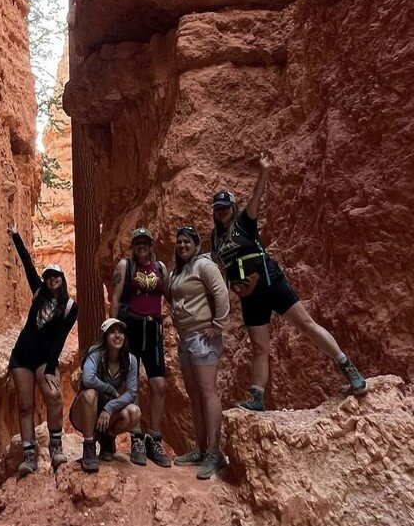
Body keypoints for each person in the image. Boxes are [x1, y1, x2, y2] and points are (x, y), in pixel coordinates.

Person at [210, 151, 367, 413]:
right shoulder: (215, 238)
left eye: (225, 207)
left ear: (233, 208)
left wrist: (265, 170)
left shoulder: (243, 222)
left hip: (271, 282)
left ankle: (346, 365)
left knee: (306, 324)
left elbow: (256, 199)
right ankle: (257, 396)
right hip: (249, 297)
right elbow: (221, 268)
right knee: (260, 346)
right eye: (217, 208)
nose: (221, 212)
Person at [7, 224, 78, 477]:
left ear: (62, 280)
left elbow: (60, 339)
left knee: (54, 396)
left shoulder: (70, 307)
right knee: (25, 406)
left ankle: (56, 447)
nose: (51, 280)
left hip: (44, 360)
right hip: (21, 356)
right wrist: (16, 236)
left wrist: (50, 367)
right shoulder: (38, 292)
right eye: (48, 277)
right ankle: (29, 455)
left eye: (55, 277)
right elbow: (27, 264)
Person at [167, 226, 230, 480]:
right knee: (194, 396)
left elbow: (220, 291)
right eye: (179, 241)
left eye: (187, 241)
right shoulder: (180, 271)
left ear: (196, 244)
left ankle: (214, 453)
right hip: (186, 338)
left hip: (203, 335)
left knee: (207, 392)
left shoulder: (204, 265)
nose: (182, 245)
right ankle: (202, 448)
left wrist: (218, 325)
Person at [110, 227, 171, 467]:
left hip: (153, 329)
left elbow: (170, 294)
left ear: (151, 244)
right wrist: (112, 329)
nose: (142, 245)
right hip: (131, 328)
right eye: (138, 242)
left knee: (159, 384)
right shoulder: (125, 266)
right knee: (130, 383)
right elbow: (115, 298)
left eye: (146, 242)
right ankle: (136, 436)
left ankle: (154, 438)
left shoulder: (161, 268)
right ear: (133, 245)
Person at [69, 318, 145, 472]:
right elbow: (88, 379)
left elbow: (131, 392)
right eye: (112, 332)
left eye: (121, 332)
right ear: (105, 336)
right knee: (90, 394)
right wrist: (111, 390)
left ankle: (107, 437)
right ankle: (89, 447)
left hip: (107, 413)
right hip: (84, 412)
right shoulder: (95, 355)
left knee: (134, 413)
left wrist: (109, 407)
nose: (117, 335)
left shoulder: (130, 360)